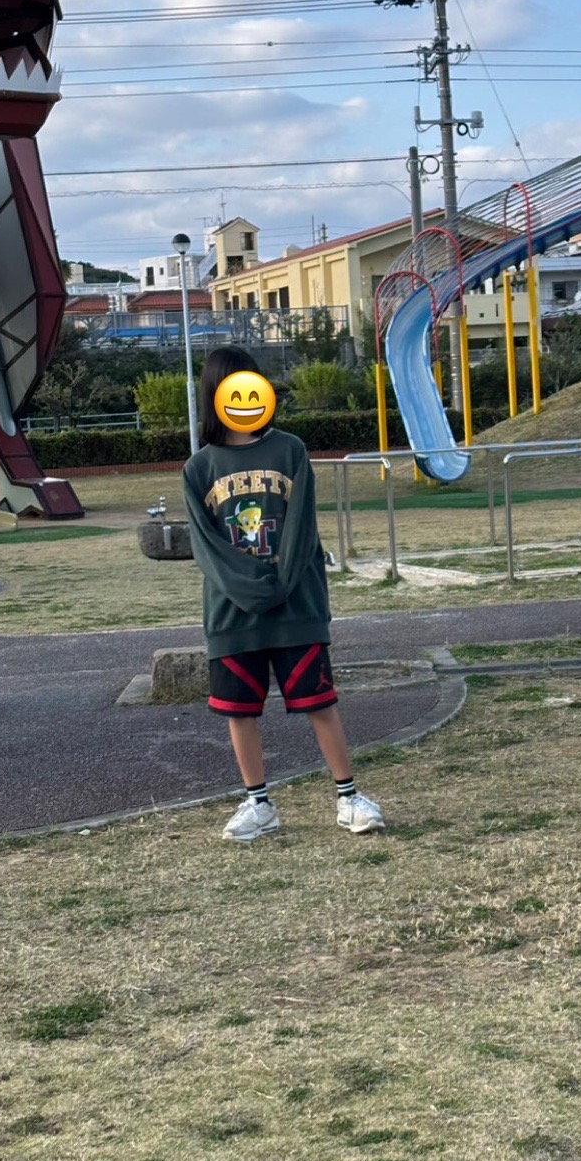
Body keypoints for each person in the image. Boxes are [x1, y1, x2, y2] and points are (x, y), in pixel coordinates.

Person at [182, 346, 384, 842]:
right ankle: (259, 805)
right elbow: (206, 547)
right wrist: (250, 587)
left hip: (297, 606)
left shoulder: (290, 450)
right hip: (232, 615)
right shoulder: (198, 468)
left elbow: (300, 530)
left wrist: (279, 583)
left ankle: (349, 797)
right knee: (239, 713)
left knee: (320, 703)